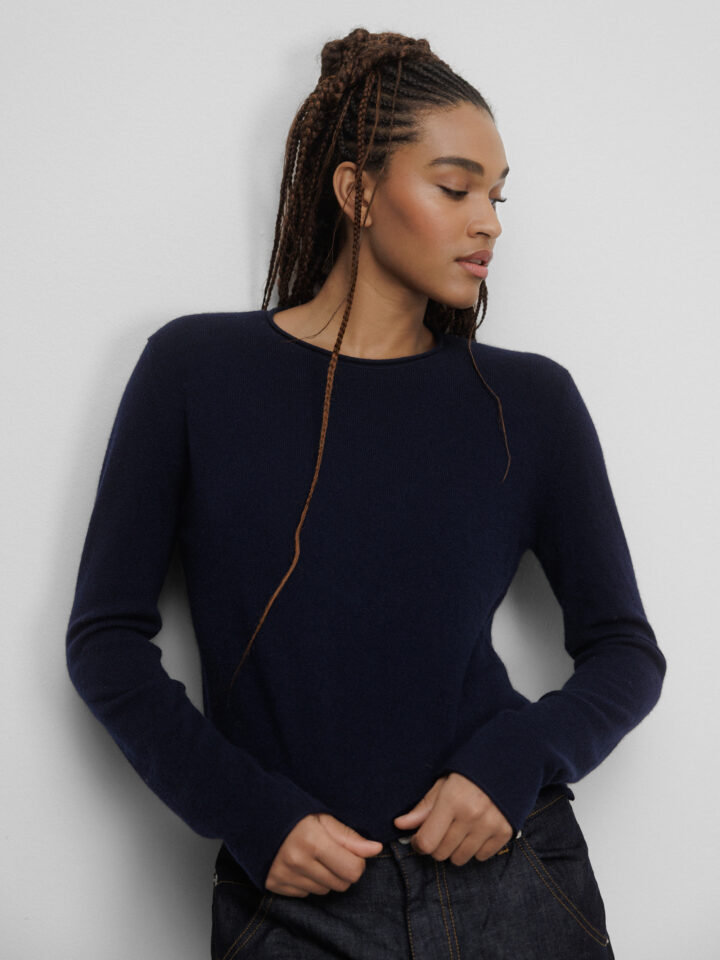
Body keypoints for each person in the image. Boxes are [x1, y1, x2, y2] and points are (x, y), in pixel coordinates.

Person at [65, 26, 667, 959]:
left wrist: (513, 764)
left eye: (498, 196)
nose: (489, 222)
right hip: (297, 899)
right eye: (456, 188)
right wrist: (247, 811)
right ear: (356, 192)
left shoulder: (530, 400)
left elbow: (626, 651)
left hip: (512, 876)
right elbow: (105, 641)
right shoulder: (195, 371)